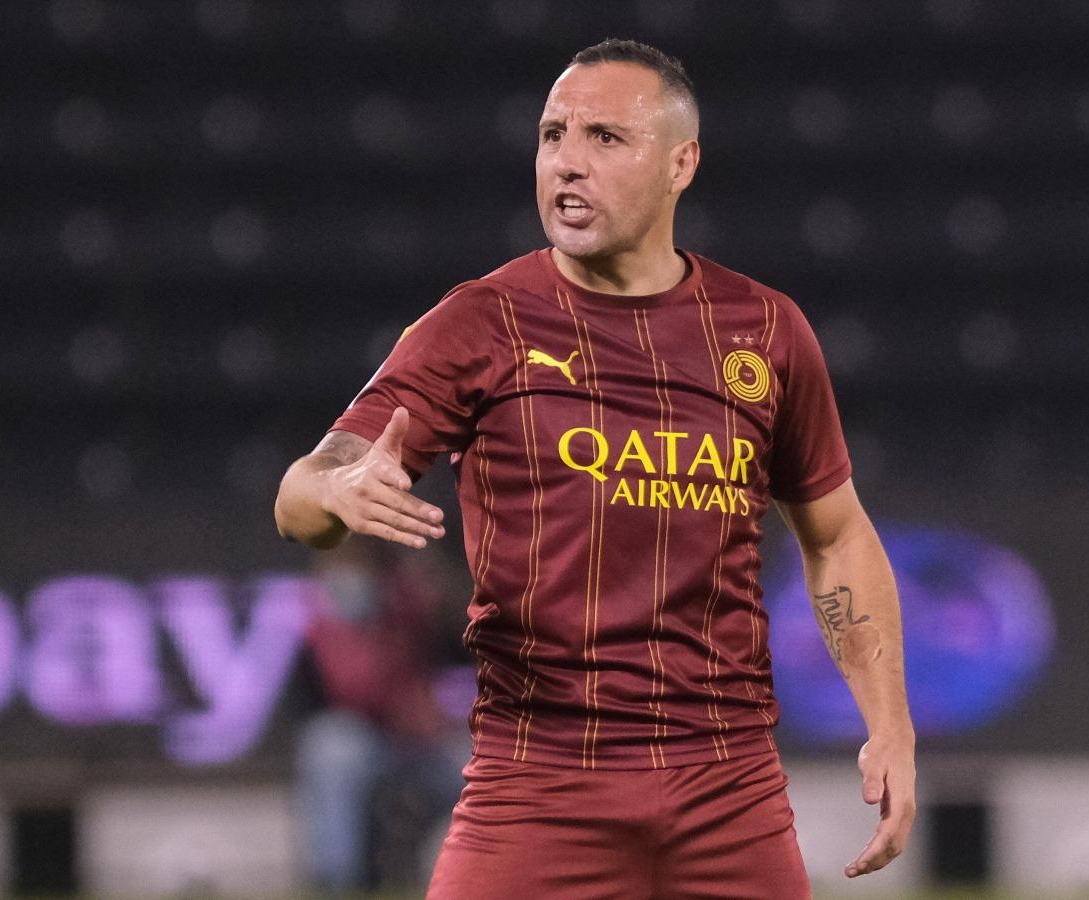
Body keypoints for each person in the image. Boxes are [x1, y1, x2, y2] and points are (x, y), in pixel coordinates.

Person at [275, 38, 915, 899]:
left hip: (726, 784)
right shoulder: (481, 323)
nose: (566, 164)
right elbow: (302, 494)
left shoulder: (765, 332)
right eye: (551, 136)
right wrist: (333, 494)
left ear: (681, 163)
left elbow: (836, 536)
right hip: (537, 782)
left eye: (606, 138)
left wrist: (890, 722)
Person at [294, 538, 468, 894]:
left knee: (475, 764)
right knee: (332, 748)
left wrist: (425, 596)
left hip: (421, 743)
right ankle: (338, 882)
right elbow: (356, 686)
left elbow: (459, 640)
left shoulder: (408, 598)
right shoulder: (335, 603)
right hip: (367, 737)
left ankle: (467, 876)